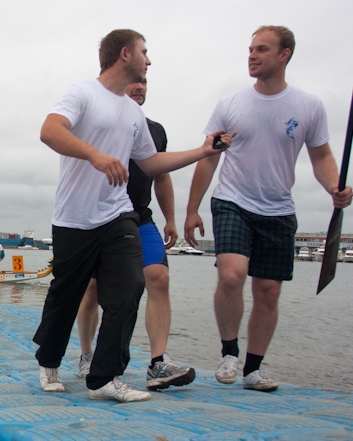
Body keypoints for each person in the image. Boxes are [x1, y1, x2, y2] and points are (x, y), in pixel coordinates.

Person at [35, 28, 232, 402]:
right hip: (75, 217)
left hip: (119, 214)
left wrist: (203, 151)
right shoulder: (81, 93)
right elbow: (49, 131)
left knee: (129, 287)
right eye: (145, 51)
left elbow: (151, 162)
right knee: (66, 295)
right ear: (125, 54)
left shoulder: (133, 113)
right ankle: (49, 361)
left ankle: (104, 378)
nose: (149, 60)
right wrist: (94, 155)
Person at [184, 25, 352, 392]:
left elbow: (321, 156)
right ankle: (229, 353)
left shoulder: (309, 106)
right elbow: (209, 158)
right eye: (250, 49)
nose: (252, 56)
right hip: (232, 200)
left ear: (284, 55)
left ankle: (253, 369)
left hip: (278, 208)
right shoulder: (230, 104)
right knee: (232, 275)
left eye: (261, 49)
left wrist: (334, 187)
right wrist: (192, 209)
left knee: (269, 291)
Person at [76, 78, 195, 391]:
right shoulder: (100, 123)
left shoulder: (155, 130)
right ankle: (87, 355)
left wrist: (171, 218)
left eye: (143, 81)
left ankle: (158, 363)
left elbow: (161, 175)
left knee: (159, 277)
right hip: (101, 218)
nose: (140, 86)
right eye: (133, 81)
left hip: (140, 217)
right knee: (92, 290)